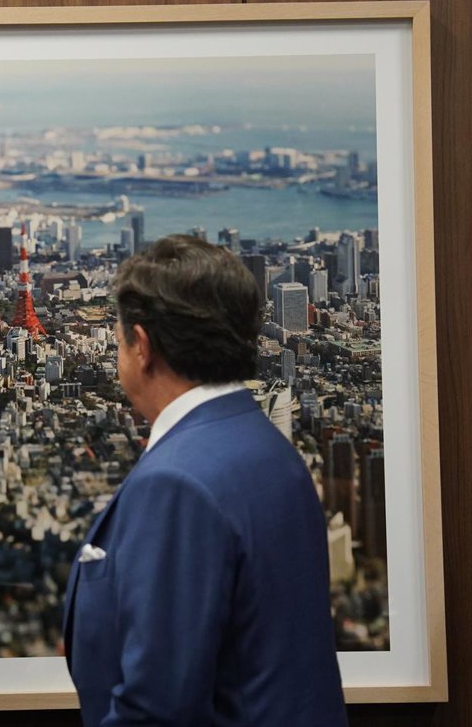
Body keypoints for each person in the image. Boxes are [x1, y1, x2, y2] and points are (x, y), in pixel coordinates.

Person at [63, 234, 347, 726]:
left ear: (142, 347)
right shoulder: (271, 448)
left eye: (118, 342)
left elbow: (158, 706)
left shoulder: (177, 483)